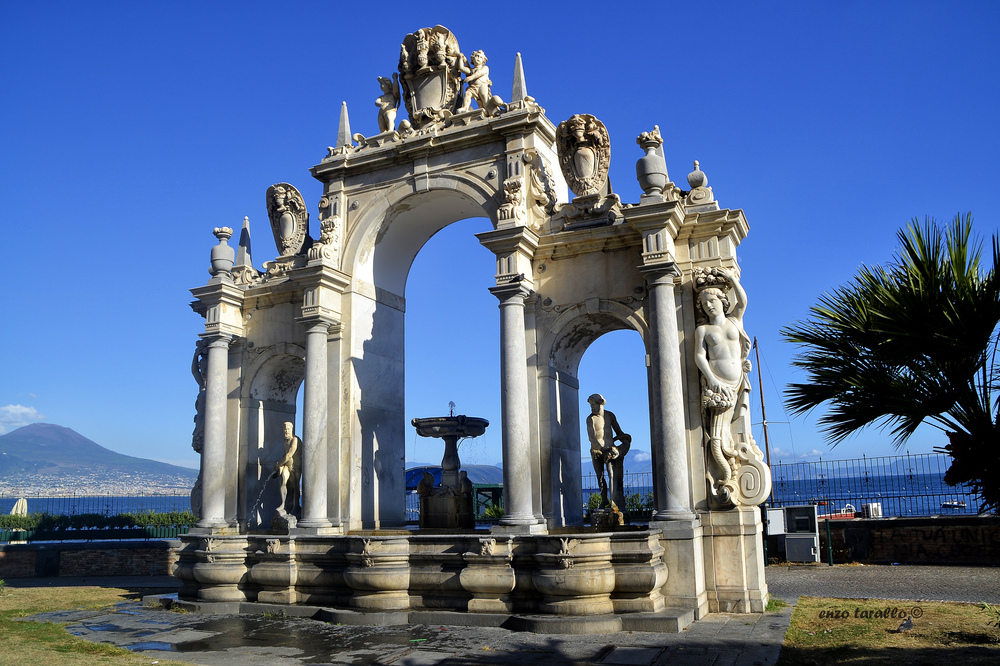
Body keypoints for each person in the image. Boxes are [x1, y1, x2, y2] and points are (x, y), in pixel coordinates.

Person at [694, 269, 751, 491]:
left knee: (727, 428)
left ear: (722, 300)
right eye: (704, 302)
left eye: (712, 300)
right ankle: (725, 477)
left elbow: (743, 301)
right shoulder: (702, 329)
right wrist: (711, 379)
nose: (709, 305)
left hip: (737, 382)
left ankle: (726, 475)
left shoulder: (734, 321)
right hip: (718, 385)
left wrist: (732, 279)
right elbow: (699, 356)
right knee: (717, 434)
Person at [585, 394, 632, 509]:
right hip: (597, 451)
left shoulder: (610, 416)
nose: (592, 408)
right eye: (591, 406)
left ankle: (614, 501)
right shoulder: (590, 419)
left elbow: (619, 432)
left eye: (594, 405)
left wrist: (625, 439)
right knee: (600, 476)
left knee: (611, 474)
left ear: (601, 404)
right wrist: (602, 449)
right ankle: (604, 499)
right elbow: (592, 438)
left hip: (610, 451)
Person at [274, 421, 302, 516]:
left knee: (295, 486)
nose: (286, 431)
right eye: (285, 430)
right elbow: (285, 455)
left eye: (288, 429)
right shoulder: (285, 441)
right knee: (283, 481)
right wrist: (281, 465)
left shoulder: (295, 440)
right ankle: (283, 504)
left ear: (292, 429)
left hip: (296, 466)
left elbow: (289, 455)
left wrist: (279, 464)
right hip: (287, 466)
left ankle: (295, 506)